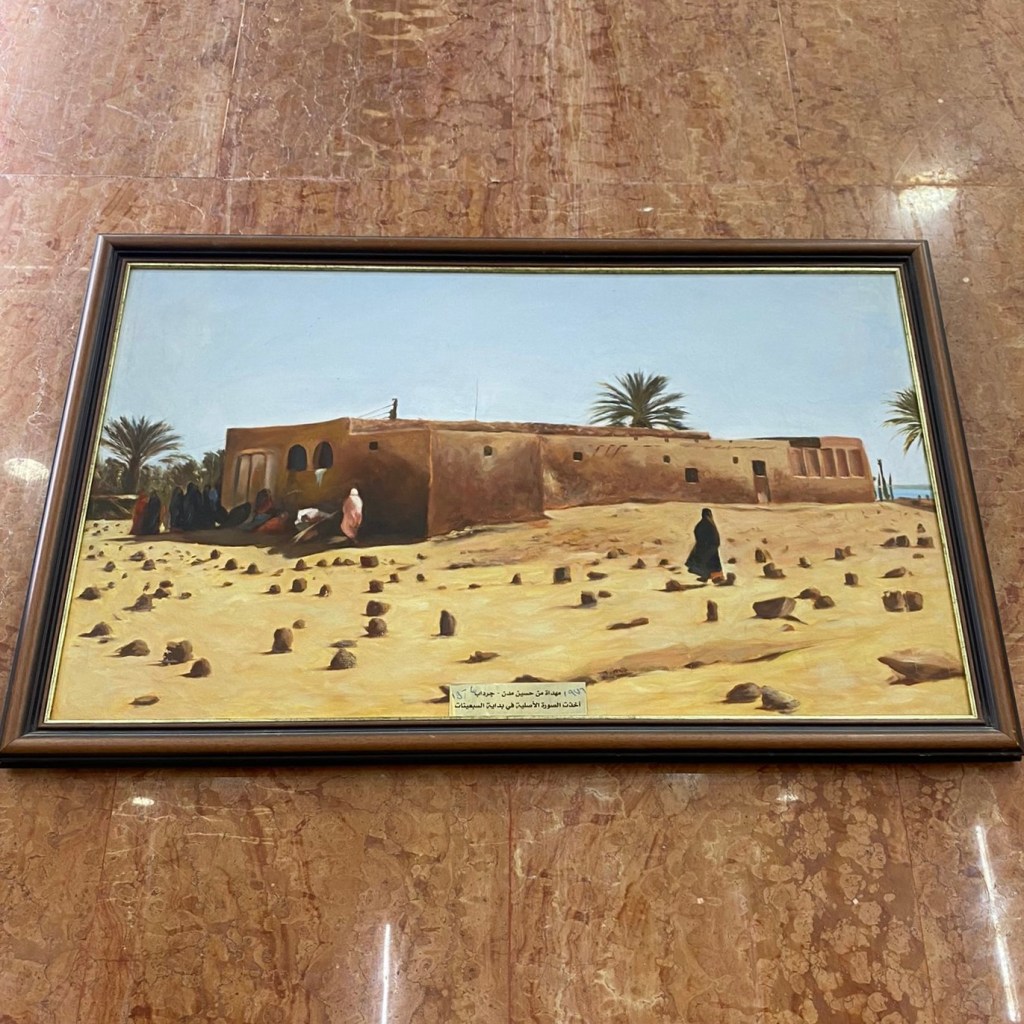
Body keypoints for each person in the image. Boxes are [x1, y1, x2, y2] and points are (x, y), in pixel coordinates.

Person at [685, 507, 724, 583]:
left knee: (703, 562)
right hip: (709, 547)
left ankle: (712, 577)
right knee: (709, 563)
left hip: (706, 548)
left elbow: (697, 532)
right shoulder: (711, 524)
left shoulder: (703, 524)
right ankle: (708, 577)